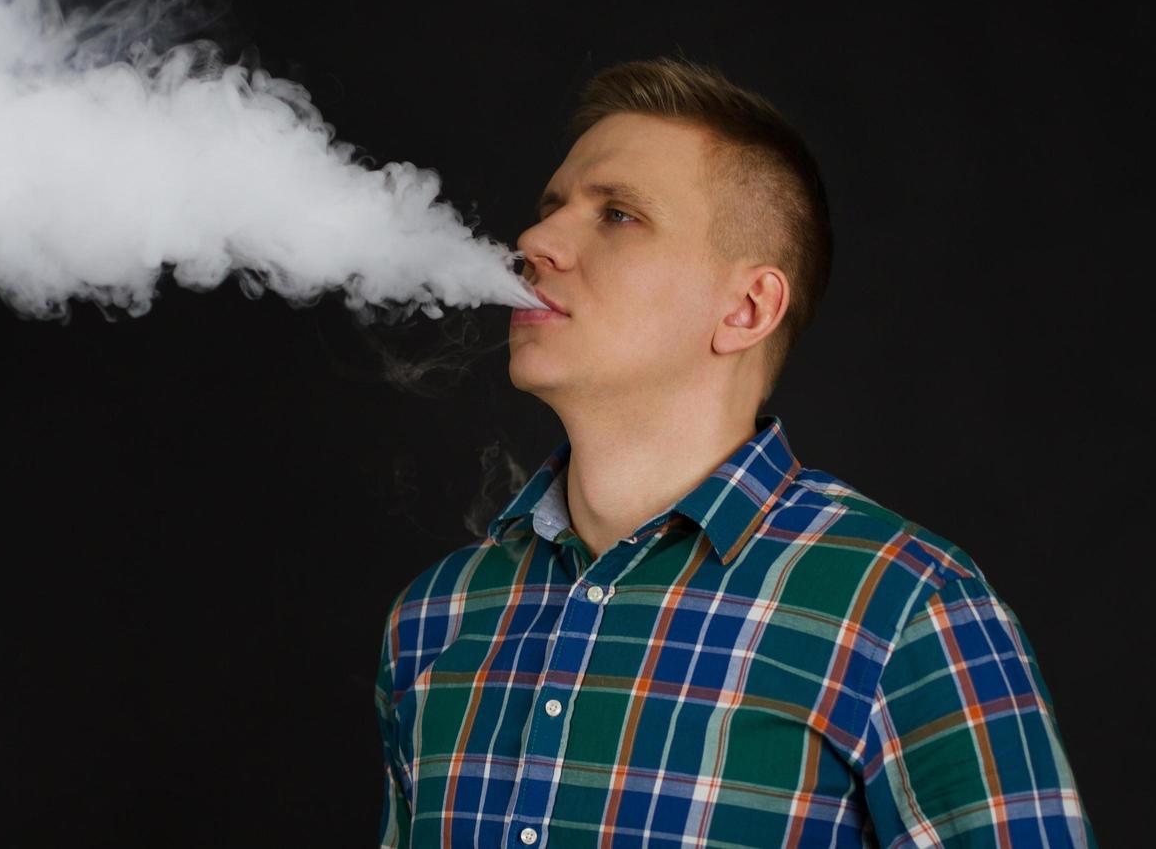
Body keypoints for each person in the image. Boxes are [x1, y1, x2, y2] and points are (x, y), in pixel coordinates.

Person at [373, 57, 1095, 848]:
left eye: (618, 215)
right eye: (551, 208)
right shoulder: (438, 615)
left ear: (747, 308)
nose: (536, 239)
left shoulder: (903, 610)